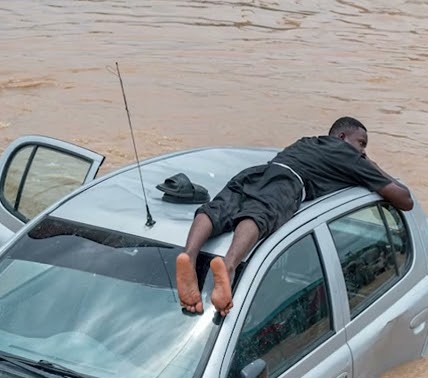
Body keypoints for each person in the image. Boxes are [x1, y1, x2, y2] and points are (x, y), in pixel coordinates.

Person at [175, 116, 415, 316]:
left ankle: (189, 255)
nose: (362, 151)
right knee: (260, 213)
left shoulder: (307, 142)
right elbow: (405, 199)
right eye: (361, 143)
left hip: (259, 172)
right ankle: (229, 266)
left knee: (218, 208)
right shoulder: (348, 156)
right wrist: (372, 165)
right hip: (287, 183)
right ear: (342, 137)